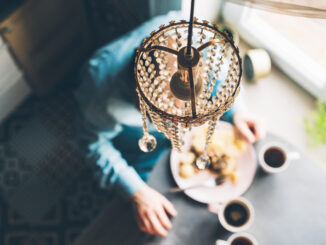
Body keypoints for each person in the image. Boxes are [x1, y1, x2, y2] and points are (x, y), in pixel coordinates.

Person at [74, 12, 265, 237]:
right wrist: (137, 192)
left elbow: (223, 74)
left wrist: (237, 111)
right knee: (155, 217)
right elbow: (93, 146)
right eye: (168, 119)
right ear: (138, 98)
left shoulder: (194, 35)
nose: (185, 131)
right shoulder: (97, 87)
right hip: (137, 143)